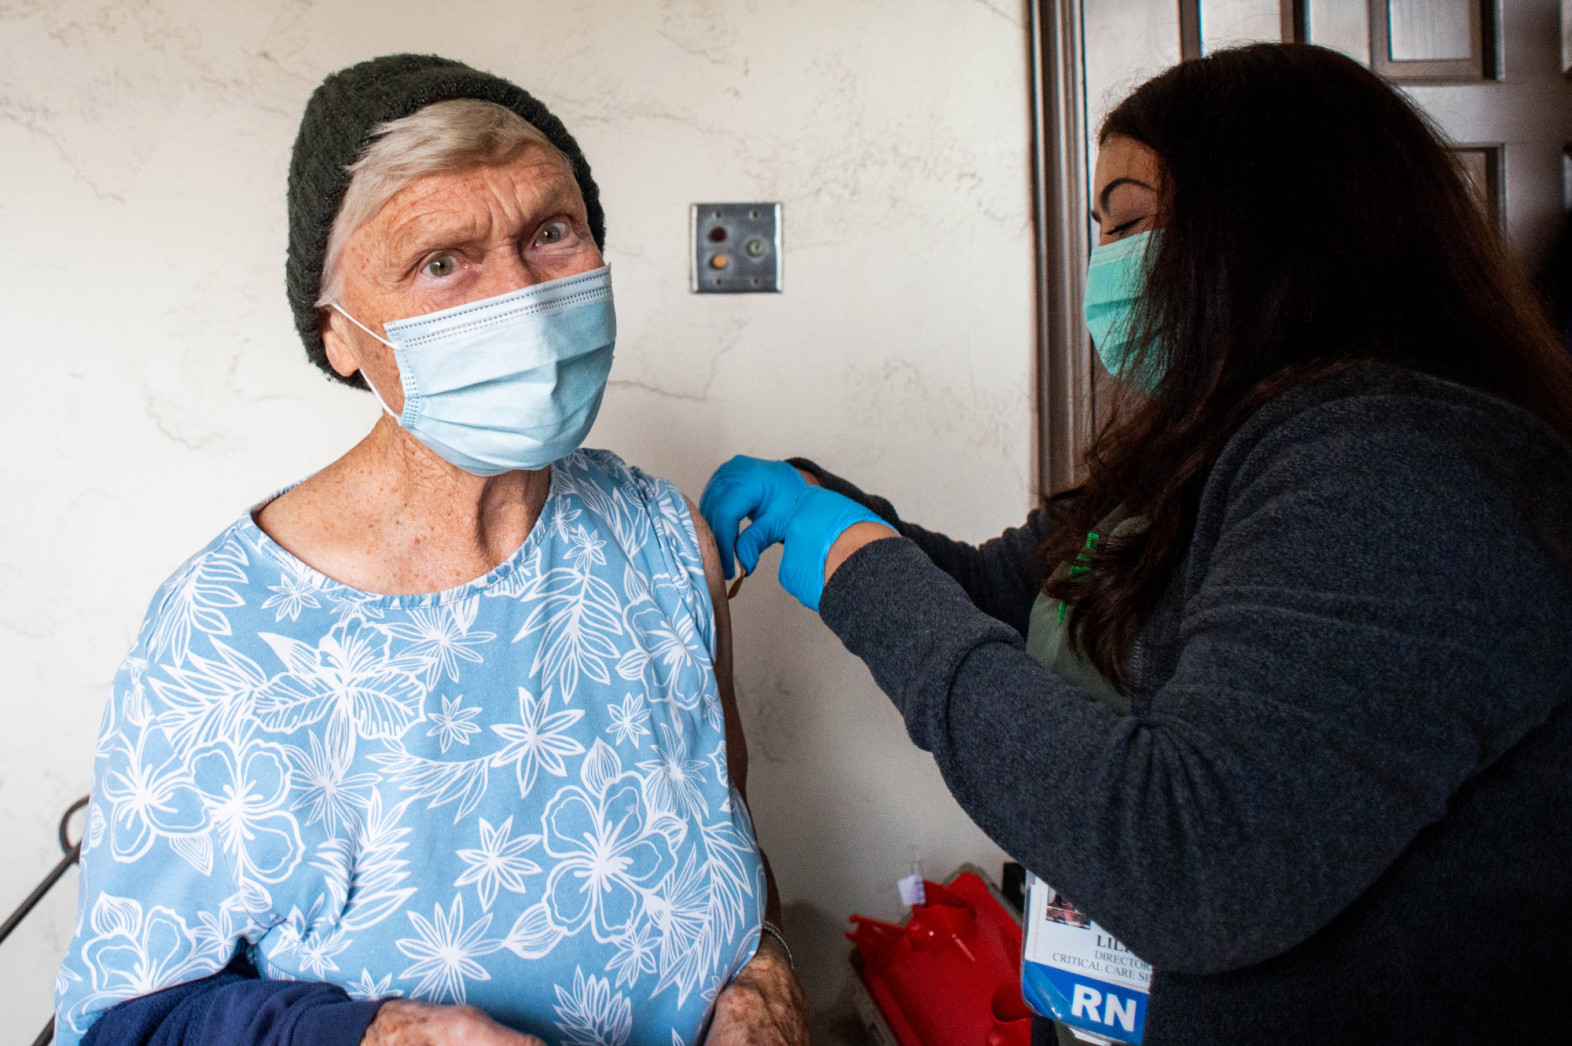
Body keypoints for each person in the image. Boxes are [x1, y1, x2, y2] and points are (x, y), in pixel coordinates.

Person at [701, 43, 1572, 1044]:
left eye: (1130, 224)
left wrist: (857, 566)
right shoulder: (1207, 449)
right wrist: (827, 505)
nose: (1106, 263)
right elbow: (1010, 591)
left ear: (1272, 228)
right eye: (1100, 230)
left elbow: (1185, 857)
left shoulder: (1401, 476)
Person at [55, 55, 808, 1046]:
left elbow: (730, 845)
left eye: (550, 232)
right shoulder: (224, 634)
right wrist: (384, 1034)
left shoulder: (664, 537)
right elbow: (123, 1021)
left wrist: (764, 979)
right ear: (339, 335)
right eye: (443, 260)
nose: (525, 300)